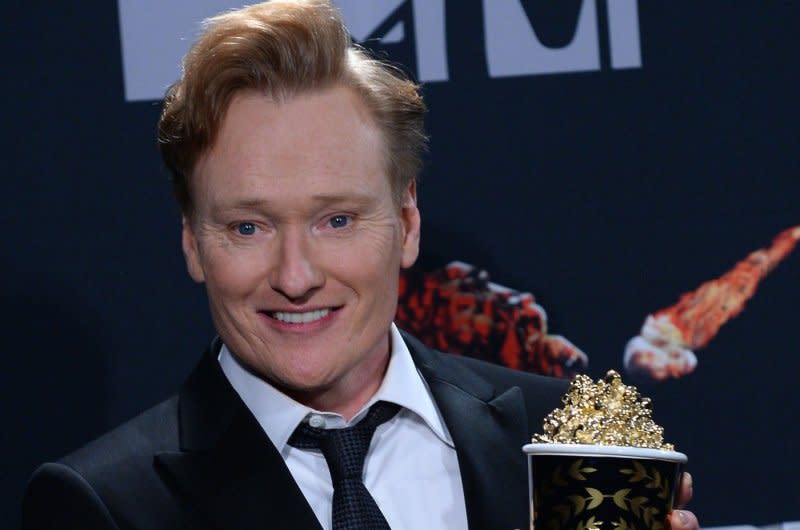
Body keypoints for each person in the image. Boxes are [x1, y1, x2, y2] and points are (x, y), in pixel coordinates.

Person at [22, 1, 699, 529]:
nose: (295, 276)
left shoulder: (559, 436)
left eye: (336, 220)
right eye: (248, 226)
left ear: (406, 225)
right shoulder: (104, 506)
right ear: (193, 243)